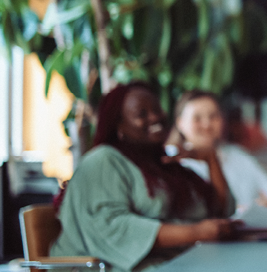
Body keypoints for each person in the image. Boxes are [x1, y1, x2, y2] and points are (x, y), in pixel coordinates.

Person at [51, 83, 238, 272]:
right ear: (119, 126)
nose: (155, 117)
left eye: (157, 110)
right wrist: (195, 233)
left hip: (171, 262)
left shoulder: (160, 164)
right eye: (142, 114)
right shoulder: (102, 161)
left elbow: (217, 211)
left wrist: (210, 159)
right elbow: (114, 228)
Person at [173, 91, 267, 217]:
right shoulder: (172, 161)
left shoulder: (237, 155)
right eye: (197, 118)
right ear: (180, 123)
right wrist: (244, 210)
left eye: (213, 116)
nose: (207, 124)